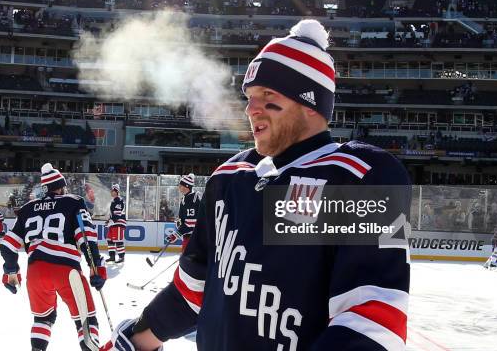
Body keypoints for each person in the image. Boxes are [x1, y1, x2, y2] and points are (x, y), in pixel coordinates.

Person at [107, 20, 412, 350]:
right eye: (250, 97)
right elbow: (193, 289)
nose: (251, 109)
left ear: (311, 104)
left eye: (269, 97)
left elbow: (371, 321)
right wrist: (139, 337)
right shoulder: (229, 179)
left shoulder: (354, 176)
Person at [0, 163, 108, 351]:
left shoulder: (27, 209)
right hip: (66, 270)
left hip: (35, 273)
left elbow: (7, 246)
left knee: (43, 319)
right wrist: (96, 266)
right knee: (87, 320)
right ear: (61, 187)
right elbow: (86, 236)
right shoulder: (73, 202)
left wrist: (11, 270)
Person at [166, 174, 201, 251]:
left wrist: (176, 235)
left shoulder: (192, 200)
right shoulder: (186, 199)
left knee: (186, 261)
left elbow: (191, 224)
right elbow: (186, 220)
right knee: (185, 261)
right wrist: (181, 221)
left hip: (194, 238)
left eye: (180, 185)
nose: (179, 187)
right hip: (191, 236)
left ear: (186, 186)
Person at [106, 184, 126, 264]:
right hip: (114, 223)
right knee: (110, 239)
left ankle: (121, 257)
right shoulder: (114, 200)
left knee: (118, 240)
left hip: (118, 223)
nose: (111, 192)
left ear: (116, 191)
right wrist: (109, 221)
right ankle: (112, 257)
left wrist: (111, 221)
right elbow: (113, 214)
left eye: (112, 191)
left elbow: (118, 213)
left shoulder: (118, 200)